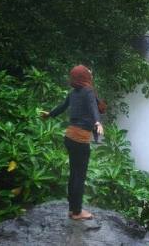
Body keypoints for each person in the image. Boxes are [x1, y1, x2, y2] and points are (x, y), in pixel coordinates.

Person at [41, 65, 104, 220]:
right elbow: (92, 106)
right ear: (84, 77)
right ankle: (77, 212)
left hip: (69, 137)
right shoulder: (88, 91)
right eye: (88, 73)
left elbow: (62, 107)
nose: (90, 74)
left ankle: (72, 209)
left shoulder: (73, 93)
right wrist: (97, 122)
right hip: (80, 138)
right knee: (79, 176)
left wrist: (49, 114)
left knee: (74, 174)